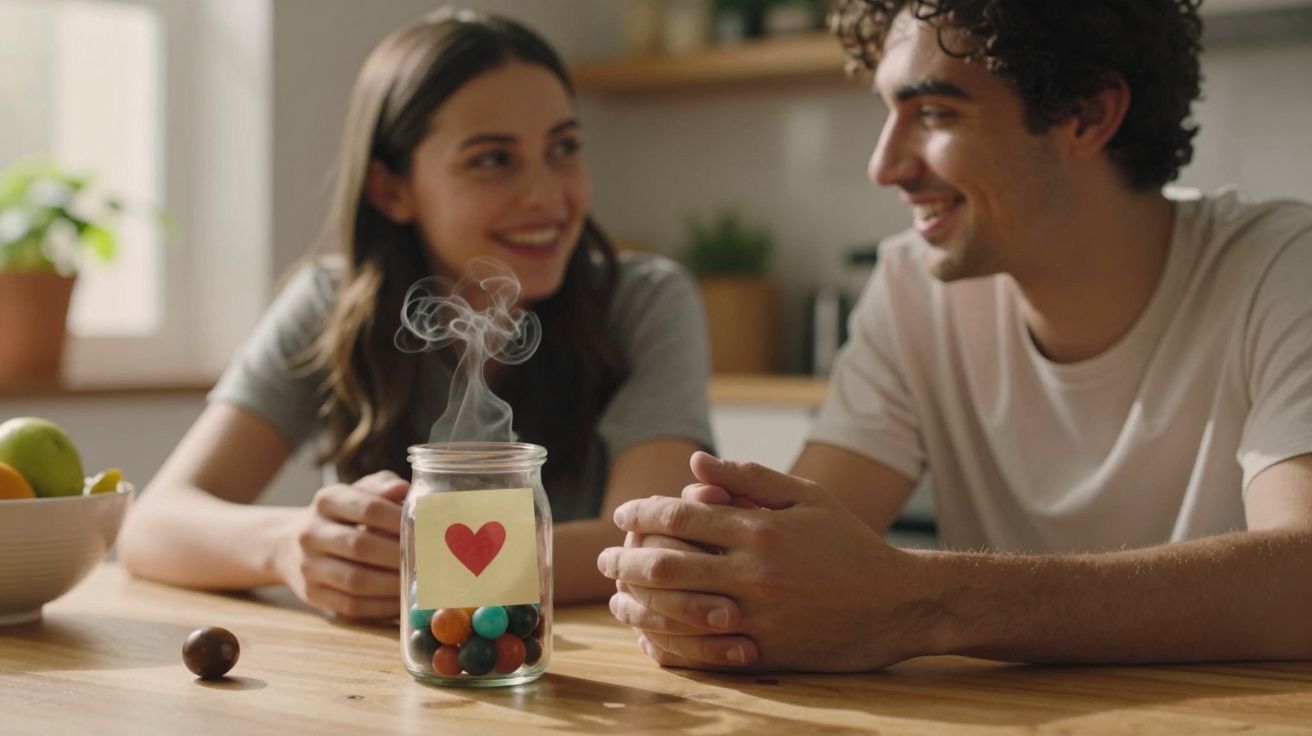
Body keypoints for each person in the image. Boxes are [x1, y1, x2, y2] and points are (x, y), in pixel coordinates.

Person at [600, 0, 1312, 672]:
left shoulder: (1281, 268)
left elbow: (1302, 575)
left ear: (1088, 114)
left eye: (935, 112)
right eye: (888, 112)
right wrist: (710, 580)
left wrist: (925, 603)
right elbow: (797, 546)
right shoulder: (912, 286)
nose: (885, 167)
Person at [119, 9, 713, 618]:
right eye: (492, 159)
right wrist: (289, 547)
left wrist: (423, 563)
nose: (547, 195)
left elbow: (644, 544)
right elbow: (152, 525)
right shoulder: (332, 306)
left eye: (563, 148)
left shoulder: (644, 303)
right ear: (391, 190)